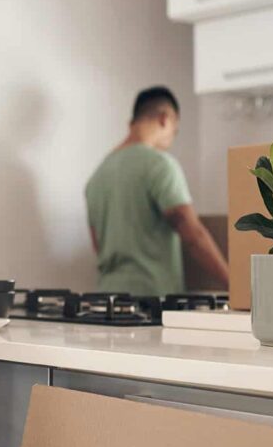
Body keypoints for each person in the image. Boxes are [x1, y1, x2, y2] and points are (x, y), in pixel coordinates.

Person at [85, 86, 228, 297]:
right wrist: (233, 283)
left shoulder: (97, 176)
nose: (171, 140)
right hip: (150, 302)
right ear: (165, 119)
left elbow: (98, 247)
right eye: (175, 131)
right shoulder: (159, 165)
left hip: (106, 301)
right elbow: (192, 235)